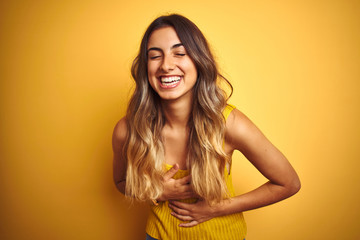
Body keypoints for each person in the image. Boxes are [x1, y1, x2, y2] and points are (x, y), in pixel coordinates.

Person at [112, 14, 301, 240]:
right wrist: (156, 191)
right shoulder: (128, 130)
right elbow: (121, 182)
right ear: (145, 67)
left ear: (199, 61)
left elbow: (288, 183)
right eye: (155, 56)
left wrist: (217, 208)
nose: (166, 65)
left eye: (179, 53)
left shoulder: (229, 123)